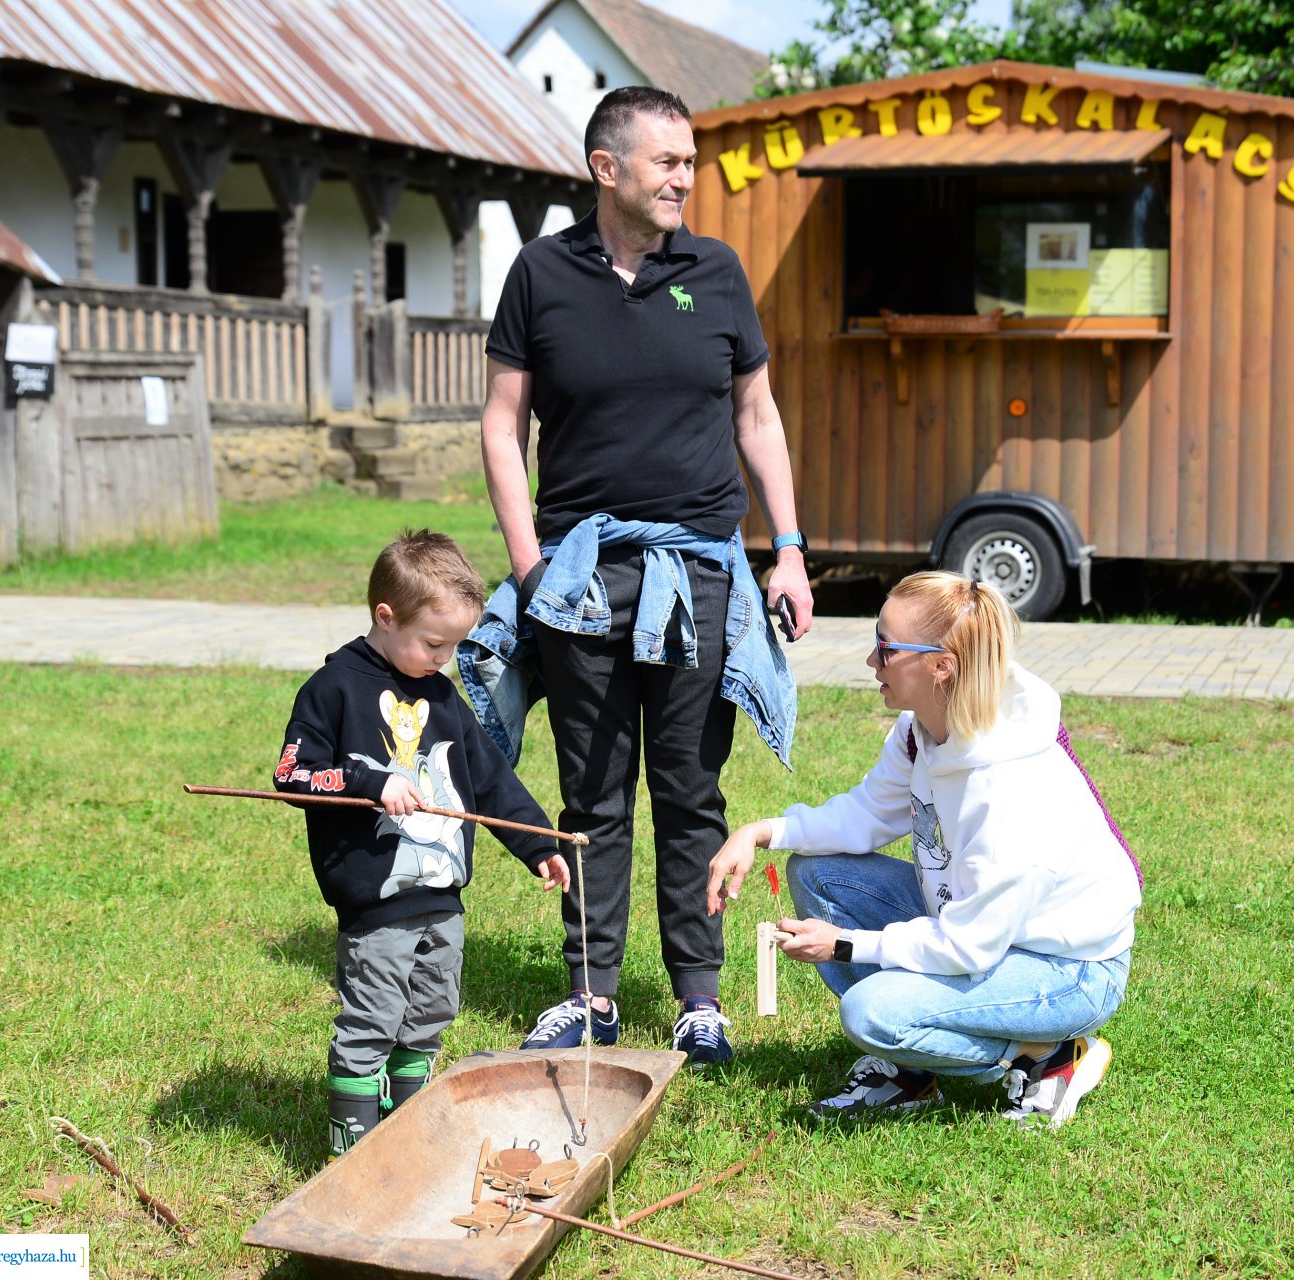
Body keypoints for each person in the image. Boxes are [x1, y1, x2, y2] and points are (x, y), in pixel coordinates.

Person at [476, 85, 814, 1068]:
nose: (684, 178)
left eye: (690, 162)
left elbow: (757, 416)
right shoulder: (540, 273)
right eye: (668, 161)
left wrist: (789, 547)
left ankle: (700, 998)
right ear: (606, 167)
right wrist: (528, 564)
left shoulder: (716, 271)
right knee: (592, 790)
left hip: (700, 570)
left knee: (690, 788)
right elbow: (502, 423)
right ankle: (590, 994)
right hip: (579, 573)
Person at [705, 572, 1142, 1128]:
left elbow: (968, 947)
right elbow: (867, 813)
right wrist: (760, 832)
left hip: (1066, 970)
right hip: (979, 929)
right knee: (818, 873)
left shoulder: (1011, 790)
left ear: (942, 666)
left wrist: (844, 944)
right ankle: (910, 1070)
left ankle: (1050, 1055)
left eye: (886, 648)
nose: (871, 661)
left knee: (871, 1014)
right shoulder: (923, 730)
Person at [274, 531, 571, 1156]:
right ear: (386, 616)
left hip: (442, 895)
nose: (445, 658)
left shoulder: (440, 694)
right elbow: (292, 774)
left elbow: (489, 779)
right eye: (435, 643)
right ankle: (353, 1151)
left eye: (454, 645)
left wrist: (536, 844)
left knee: (432, 1011)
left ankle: (407, 1130)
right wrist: (369, 782)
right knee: (374, 1016)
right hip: (377, 901)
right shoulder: (333, 688)